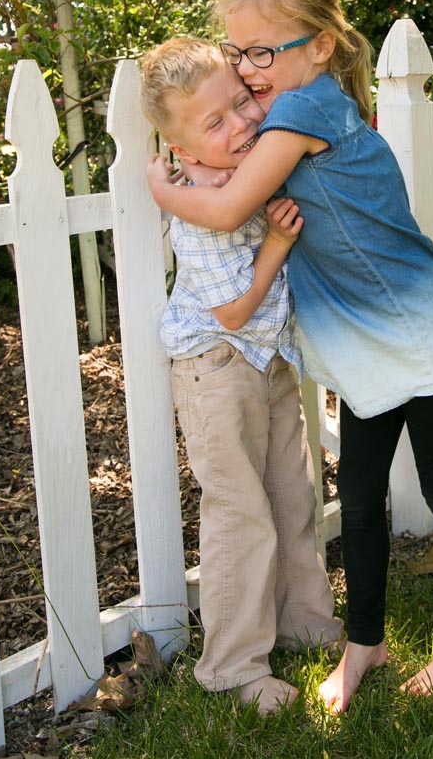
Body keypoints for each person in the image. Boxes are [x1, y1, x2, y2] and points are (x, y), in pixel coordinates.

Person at [146, 0, 433, 714]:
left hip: (417, 330)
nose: (247, 70)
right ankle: (363, 642)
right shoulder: (292, 107)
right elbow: (226, 154)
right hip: (367, 342)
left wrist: (163, 187)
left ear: (318, 47)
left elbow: (228, 203)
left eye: (263, 51)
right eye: (238, 53)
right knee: (362, 494)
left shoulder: (303, 114)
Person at [140, 37, 343, 715]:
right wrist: (279, 242)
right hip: (216, 369)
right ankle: (233, 665)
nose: (240, 124)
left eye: (239, 104)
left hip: (269, 361)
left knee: (293, 494)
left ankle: (306, 622)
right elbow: (229, 311)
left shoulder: (255, 170)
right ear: (185, 152)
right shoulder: (196, 210)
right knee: (241, 512)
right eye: (215, 123)